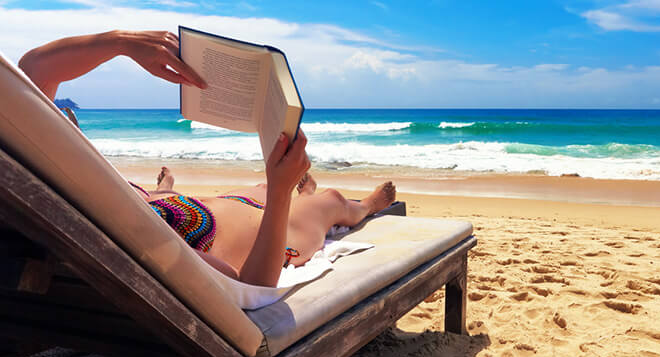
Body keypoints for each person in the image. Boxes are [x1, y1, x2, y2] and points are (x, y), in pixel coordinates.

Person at [18, 29, 396, 287]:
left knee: (261, 185)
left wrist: (123, 43)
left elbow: (33, 69)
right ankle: (364, 206)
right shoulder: (135, 244)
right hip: (269, 240)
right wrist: (281, 192)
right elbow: (251, 286)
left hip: (192, 208)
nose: (72, 131)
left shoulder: (71, 186)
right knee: (328, 202)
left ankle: (172, 191)